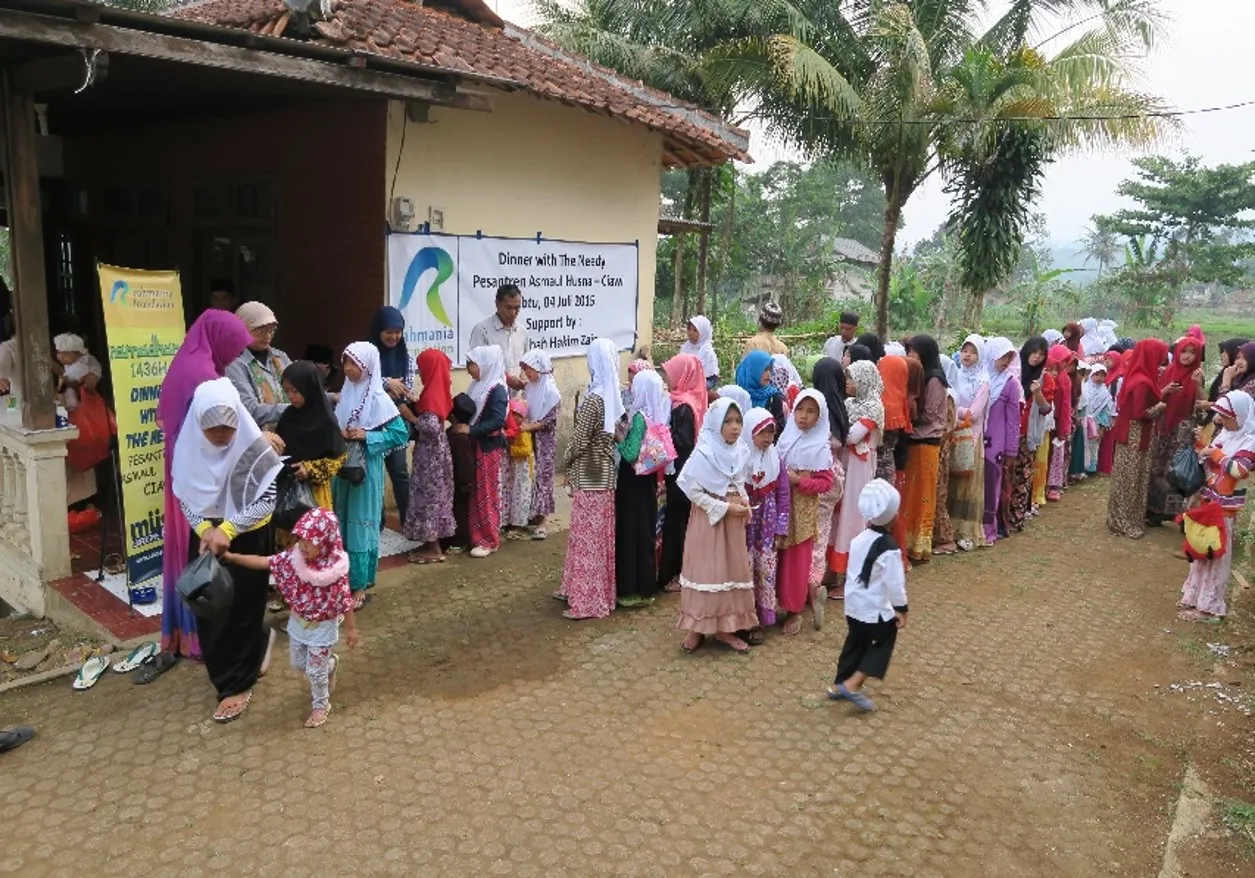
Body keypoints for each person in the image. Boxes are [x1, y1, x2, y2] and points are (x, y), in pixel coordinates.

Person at [171, 378, 284, 723]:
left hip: (248, 536)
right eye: (212, 428)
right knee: (210, 606)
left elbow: (266, 500)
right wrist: (207, 529)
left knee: (242, 610)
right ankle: (253, 650)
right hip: (207, 537)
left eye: (228, 426)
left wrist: (229, 528)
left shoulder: (256, 450)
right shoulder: (187, 447)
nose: (221, 435)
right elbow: (186, 495)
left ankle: (237, 683)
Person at [156, 310, 254, 663]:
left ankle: (186, 631)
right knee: (198, 547)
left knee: (189, 546)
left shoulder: (192, 363)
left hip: (186, 468)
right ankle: (198, 633)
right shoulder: (200, 375)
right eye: (233, 347)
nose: (234, 355)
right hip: (199, 472)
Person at [224, 507, 359, 728]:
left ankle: (321, 705)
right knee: (298, 664)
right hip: (298, 623)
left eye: (310, 541)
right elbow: (265, 562)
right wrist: (233, 558)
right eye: (301, 539)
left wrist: (351, 629)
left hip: (322, 626)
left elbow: (345, 601)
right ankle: (330, 665)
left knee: (315, 672)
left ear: (325, 542)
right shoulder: (293, 559)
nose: (303, 545)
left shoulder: (335, 571)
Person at [675, 397, 756, 653]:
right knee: (706, 571)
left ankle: (724, 628)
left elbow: (738, 481)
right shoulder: (703, 453)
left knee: (729, 571)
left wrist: (744, 503)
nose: (735, 427)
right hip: (708, 521)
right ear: (714, 424)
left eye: (738, 420)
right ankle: (696, 627)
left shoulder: (741, 450)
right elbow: (694, 491)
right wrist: (724, 508)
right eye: (728, 421)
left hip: (732, 524)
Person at [332, 342, 408, 602]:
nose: (349, 369)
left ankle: (360, 586)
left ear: (368, 366)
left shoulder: (378, 398)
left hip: (366, 470)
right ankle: (341, 580)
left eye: (355, 363)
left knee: (361, 526)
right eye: (346, 362)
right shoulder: (346, 393)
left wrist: (367, 435)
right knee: (341, 522)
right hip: (342, 468)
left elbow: (400, 433)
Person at [824, 479, 908, 713]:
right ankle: (853, 683)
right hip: (875, 611)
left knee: (855, 642)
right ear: (892, 516)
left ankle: (838, 684)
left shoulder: (859, 539)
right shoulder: (890, 548)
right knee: (883, 640)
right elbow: (895, 584)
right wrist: (902, 608)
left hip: (853, 607)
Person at [1177, 391, 1255, 623]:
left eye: (1227, 416)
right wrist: (1203, 445)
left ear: (1240, 416)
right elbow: (1210, 458)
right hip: (1210, 501)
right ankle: (1196, 598)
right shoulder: (1228, 435)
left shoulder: (1249, 441)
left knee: (1217, 555)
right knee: (1202, 549)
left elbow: (1238, 470)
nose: (1223, 420)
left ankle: (1210, 607)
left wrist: (1216, 454)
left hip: (1225, 508)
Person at [559, 338, 622, 620]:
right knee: (599, 540)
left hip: (589, 477)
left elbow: (579, 440)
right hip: (606, 478)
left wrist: (566, 462)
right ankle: (597, 594)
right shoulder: (612, 398)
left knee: (586, 541)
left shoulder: (594, 400)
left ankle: (586, 602)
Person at [776, 389, 838, 637]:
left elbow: (826, 483)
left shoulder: (820, 447)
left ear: (820, 417)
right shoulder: (784, 439)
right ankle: (770, 605)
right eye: (800, 410)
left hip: (802, 510)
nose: (803, 416)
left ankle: (794, 610)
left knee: (796, 559)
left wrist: (799, 482)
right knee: (775, 556)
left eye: (811, 412)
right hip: (779, 507)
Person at [830, 360, 885, 595]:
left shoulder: (873, 407)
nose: (848, 383)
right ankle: (835, 571)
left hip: (859, 468)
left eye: (852, 378)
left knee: (854, 515)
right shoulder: (850, 403)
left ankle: (852, 576)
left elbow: (852, 437)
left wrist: (836, 427)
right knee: (839, 515)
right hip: (846, 464)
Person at [616, 369, 668, 608]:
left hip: (632, 482)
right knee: (645, 530)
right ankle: (646, 587)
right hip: (646, 481)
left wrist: (618, 438)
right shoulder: (655, 415)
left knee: (632, 532)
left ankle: (631, 590)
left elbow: (630, 453)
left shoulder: (638, 418)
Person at [1107, 338, 1170, 539]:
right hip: (1136, 435)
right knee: (1132, 478)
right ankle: (1127, 521)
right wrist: (1158, 408)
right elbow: (1139, 413)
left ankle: (1117, 517)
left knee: (1124, 477)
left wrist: (1163, 392)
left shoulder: (1137, 376)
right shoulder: (1143, 381)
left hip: (1129, 434)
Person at [1146, 332, 1205, 525]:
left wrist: (1197, 386)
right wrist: (1166, 391)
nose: (1187, 356)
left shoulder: (1197, 375)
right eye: (1184, 351)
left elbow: (1202, 404)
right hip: (1163, 427)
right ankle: (1154, 511)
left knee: (1177, 471)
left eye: (1192, 353)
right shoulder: (1168, 372)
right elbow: (1155, 398)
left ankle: (1174, 514)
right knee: (1157, 469)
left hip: (1183, 429)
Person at [657, 354, 706, 591]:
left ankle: (676, 573)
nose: (666, 378)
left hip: (680, 474)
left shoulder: (684, 406)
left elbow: (683, 442)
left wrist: (660, 435)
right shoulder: (684, 401)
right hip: (682, 472)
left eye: (669, 372)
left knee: (677, 522)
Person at [403, 349, 456, 564]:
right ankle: (430, 542)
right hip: (438, 452)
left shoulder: (432, 394)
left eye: (422, 368)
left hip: (430, 455)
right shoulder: (438, 389)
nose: (421, 374)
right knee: (435, 495)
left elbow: (431, 426)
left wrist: (410, 417)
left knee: (429, 497)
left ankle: (433, 548)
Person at [367, 306, 416, 527]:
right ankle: (376, 524)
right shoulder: (366, 354)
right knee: (374, 477)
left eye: (398, 331)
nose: (394, 336)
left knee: (400, 474)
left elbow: (407, 390)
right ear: (378, 330)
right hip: (372, 426)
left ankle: (408, 522)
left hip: (396, 425)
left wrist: (395, 392)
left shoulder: (405, 357)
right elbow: (360, 383)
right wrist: (387, 383)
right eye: (389, 331)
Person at [901, 336, 949, 564]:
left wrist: (907, 416)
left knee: (923, 496)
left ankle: (920, 545)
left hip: (926, 442)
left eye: (914, 353)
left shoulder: (934, 380)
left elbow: (929, 414)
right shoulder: (918, 376)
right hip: (914, 441)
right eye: (908, 352)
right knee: (910, 495)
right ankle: (907, 543)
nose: (910, 357)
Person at [275, 361, 347, 512]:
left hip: (314, 494)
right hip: (285, 490)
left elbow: (338, 459)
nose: (290, 396)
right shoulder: (288, 416)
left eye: (295, 391)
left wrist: (309, 469)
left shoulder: (325, 420)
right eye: (287, 391)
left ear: (309, 388)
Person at [743, 407, 788, 644]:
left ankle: (761, 619)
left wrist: (781, 528)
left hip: (767, 529)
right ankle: (744, 620)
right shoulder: (739, 460)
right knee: (744, 571)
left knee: (765, 570)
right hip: (744, 528)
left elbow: (783, 495)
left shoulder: (775, 461)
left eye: (771, 433)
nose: (768, 438)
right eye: (762, 432)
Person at [463, 345, 510, 557]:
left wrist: (471, 429)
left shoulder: (497, 389)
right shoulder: (478, 385)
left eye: (472, 364)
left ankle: (489, 539)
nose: (469, 369)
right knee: (476, 491)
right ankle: (476, 535)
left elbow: (498, 421)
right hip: (477, 445)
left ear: (485, 364)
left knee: (487, 492)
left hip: (488, 447)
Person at [947, 335, 989, 550]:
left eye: (972, 352)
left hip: (971, 437)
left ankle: (967, 532)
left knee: (967, 484)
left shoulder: (983, 382)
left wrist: (956, 410)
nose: (967, 355)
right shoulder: (955, 376)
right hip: (954, 433)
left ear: (979, 356)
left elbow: (974, 413)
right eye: (964, 350)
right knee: (953, 482)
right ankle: (950, 530)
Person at [226, 301, 291, 432]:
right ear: (242, 330)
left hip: (291, 434)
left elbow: (303, 388)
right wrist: (294, 407)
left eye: (271, 330)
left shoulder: (280, 357)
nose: (267, 336)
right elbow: (250, 409)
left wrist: (329, 397)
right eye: (260, 331)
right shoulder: (235, 364)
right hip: (259, 441)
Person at [980, 338, 1021, 544]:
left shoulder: (1010, 383)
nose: (1006, 361)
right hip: (975, 438)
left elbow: (1013, 421)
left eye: (1009, 357)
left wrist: (1011, 450)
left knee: (990, 484)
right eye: (1002, 356)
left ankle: (988, 530)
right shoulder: (979, 378)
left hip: (995, 442)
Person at [1009, 336, 1050, 531]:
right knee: (1006, 475)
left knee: (1022, 476)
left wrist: (1038, 393)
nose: (1036, 358)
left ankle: (1017, 517)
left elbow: (1046, 409)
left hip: (1027, 433)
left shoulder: (1042, 377)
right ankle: (1001, 519)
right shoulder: (1012, 372)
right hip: (1008, 431)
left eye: (1041, 355)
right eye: (1034, 352)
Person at [520, 350, 561, 539]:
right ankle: (533, 514)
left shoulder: (551, 392)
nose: (526, 372)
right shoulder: (530, 388)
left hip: (545, 442)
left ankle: (543, 521)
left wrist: (529, 426)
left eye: (529, 368)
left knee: (543, 478)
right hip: (529, 438)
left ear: (540, 369)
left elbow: (550, 421)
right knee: (530, 475)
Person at [468, 284, 529, 391]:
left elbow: (526, 363)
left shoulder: (522, 331)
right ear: (497, 304)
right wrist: (507, 379)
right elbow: (474, 369)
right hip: (490, 399)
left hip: (516, 400)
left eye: (517, 308)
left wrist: (523, 379)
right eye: (508, 307)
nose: (513, 313)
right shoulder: (482, 330)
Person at [444, 394, 477, 553]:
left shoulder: (461, 437)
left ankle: (460, 541)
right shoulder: (453, 432)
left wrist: (466, 482)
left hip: (460, 482)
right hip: (453, 480)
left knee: (460, 511)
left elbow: (466, 462)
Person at [1045, 345, 1075, 503]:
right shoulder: (1044, 375)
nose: (1063, 366)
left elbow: (1066, 404)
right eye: (1062, 361)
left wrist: (1065, 426)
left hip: (1058, 420)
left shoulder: (1065, 379)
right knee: (1044, 454)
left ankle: (1053, 485)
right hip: (1043, 420)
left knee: (1056, 452)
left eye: (1066, 362)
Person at [734, 350, 786, 436]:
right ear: (753, 370)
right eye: (765, 370)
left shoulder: (773, 397)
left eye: (770, 370)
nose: (769, 374)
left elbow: (779, 429)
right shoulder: (738, 395)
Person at [52, 333, 102, 412]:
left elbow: (73, 380)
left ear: (78, 354)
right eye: (58, 353)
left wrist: (64, 380)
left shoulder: (82, 365)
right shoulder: (70, 362)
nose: (61, 356)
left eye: (65, 354)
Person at [1081, 363, 1115, 474]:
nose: (1100, 378)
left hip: (1096, 423)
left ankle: (1091, 467)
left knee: (1094, 445)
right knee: (1083, 444)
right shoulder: (1085, 388)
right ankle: (1082, 466)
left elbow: (1106, 411)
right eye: (1096, 375)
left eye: (1102, 375)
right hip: (1084, 421)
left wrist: (1102, 428)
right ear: (1091, 375)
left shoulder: (1104, 393)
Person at [680, 315, 720, 389]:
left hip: (706, 380)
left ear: (703, 332)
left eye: (695, 330)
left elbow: (701, 372)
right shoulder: (686, 347)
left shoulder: (706, 350)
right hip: (688, 380)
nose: (691, 333)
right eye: (689, 329)